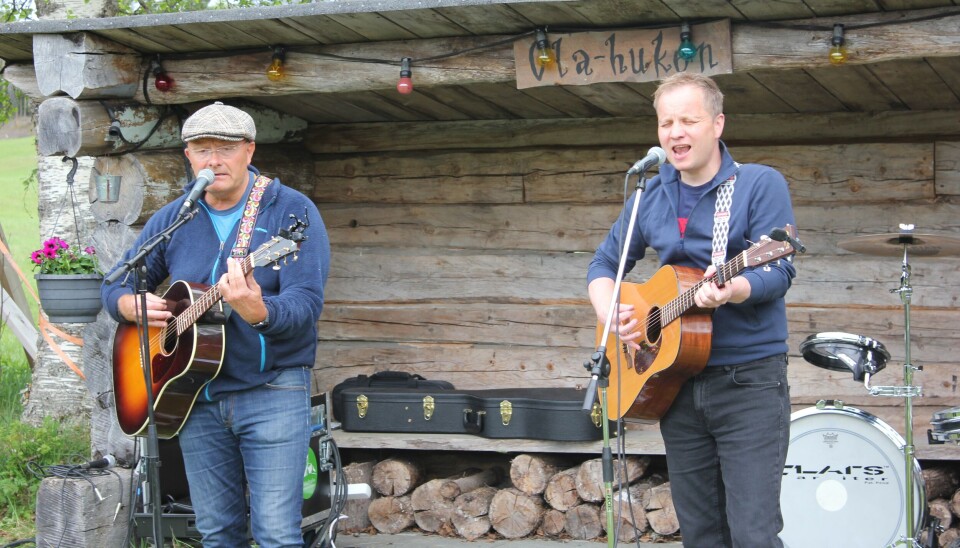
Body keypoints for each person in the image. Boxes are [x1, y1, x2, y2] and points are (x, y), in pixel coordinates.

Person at [102, 102, 330, 547]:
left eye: (224, 149)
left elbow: (305, 305)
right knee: (215, 533)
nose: (213, 160)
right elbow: (117, 283)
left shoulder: (289, 214)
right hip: (195, 395)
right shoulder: (177, 216)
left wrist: (259, 312)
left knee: (277, 534)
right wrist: (129, 306)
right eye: (202, 149)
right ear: (188, 156)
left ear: (249, 150)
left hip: (272, 390)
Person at [587, 73, 796, 547]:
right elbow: (604, 264)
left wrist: (733, 287)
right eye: (666, 122)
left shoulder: (758, 184)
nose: (675, 132)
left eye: (688, 120)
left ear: (717, 124)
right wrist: (614, 313)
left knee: (753, 534)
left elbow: (778, 273)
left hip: (748, 384)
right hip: (674, 383)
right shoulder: (649, 194)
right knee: (700, 533)